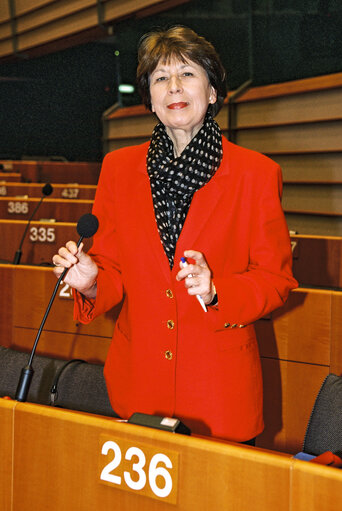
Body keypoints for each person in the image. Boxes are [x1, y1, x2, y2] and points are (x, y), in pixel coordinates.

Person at [52, 26, 297, 444]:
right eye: (160, 78)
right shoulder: (118, 169)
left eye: (187, 73)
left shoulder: (256, 175)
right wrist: (91, 281)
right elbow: (112, 269)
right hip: (139, 385)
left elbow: (275, 281)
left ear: (213, 91)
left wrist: (218, 290)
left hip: (220, 395)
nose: (174, 87)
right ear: (149, 97)